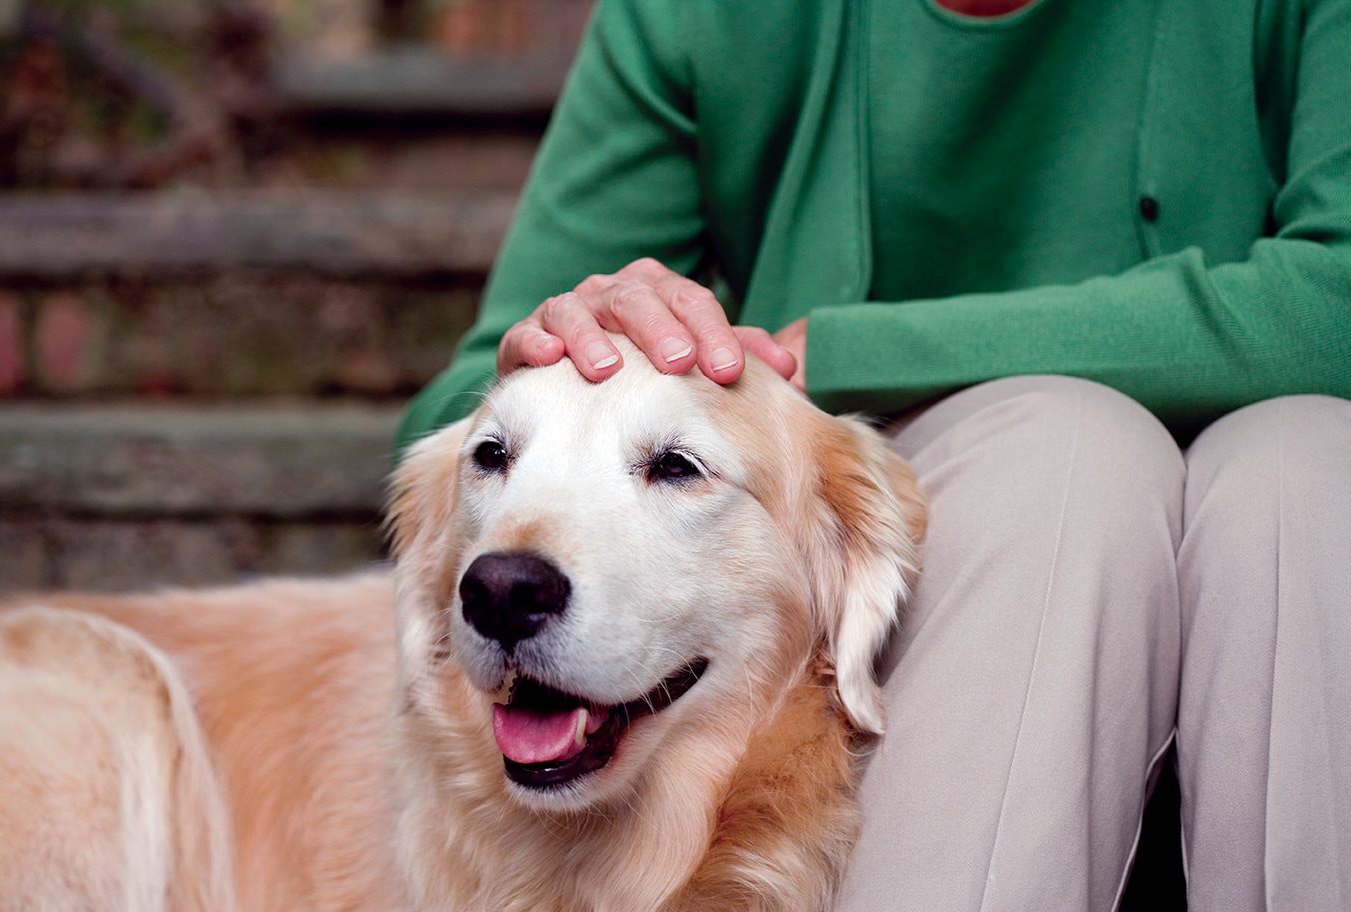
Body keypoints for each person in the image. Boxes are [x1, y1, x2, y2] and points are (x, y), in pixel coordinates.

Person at [397, 0, 1351, 909]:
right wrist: (554, 344)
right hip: (975, 538)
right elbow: (457, 411)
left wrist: (841, 352)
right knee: (1071, 462)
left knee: (1310, 465)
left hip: (1275, 549)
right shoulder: (696, 15)